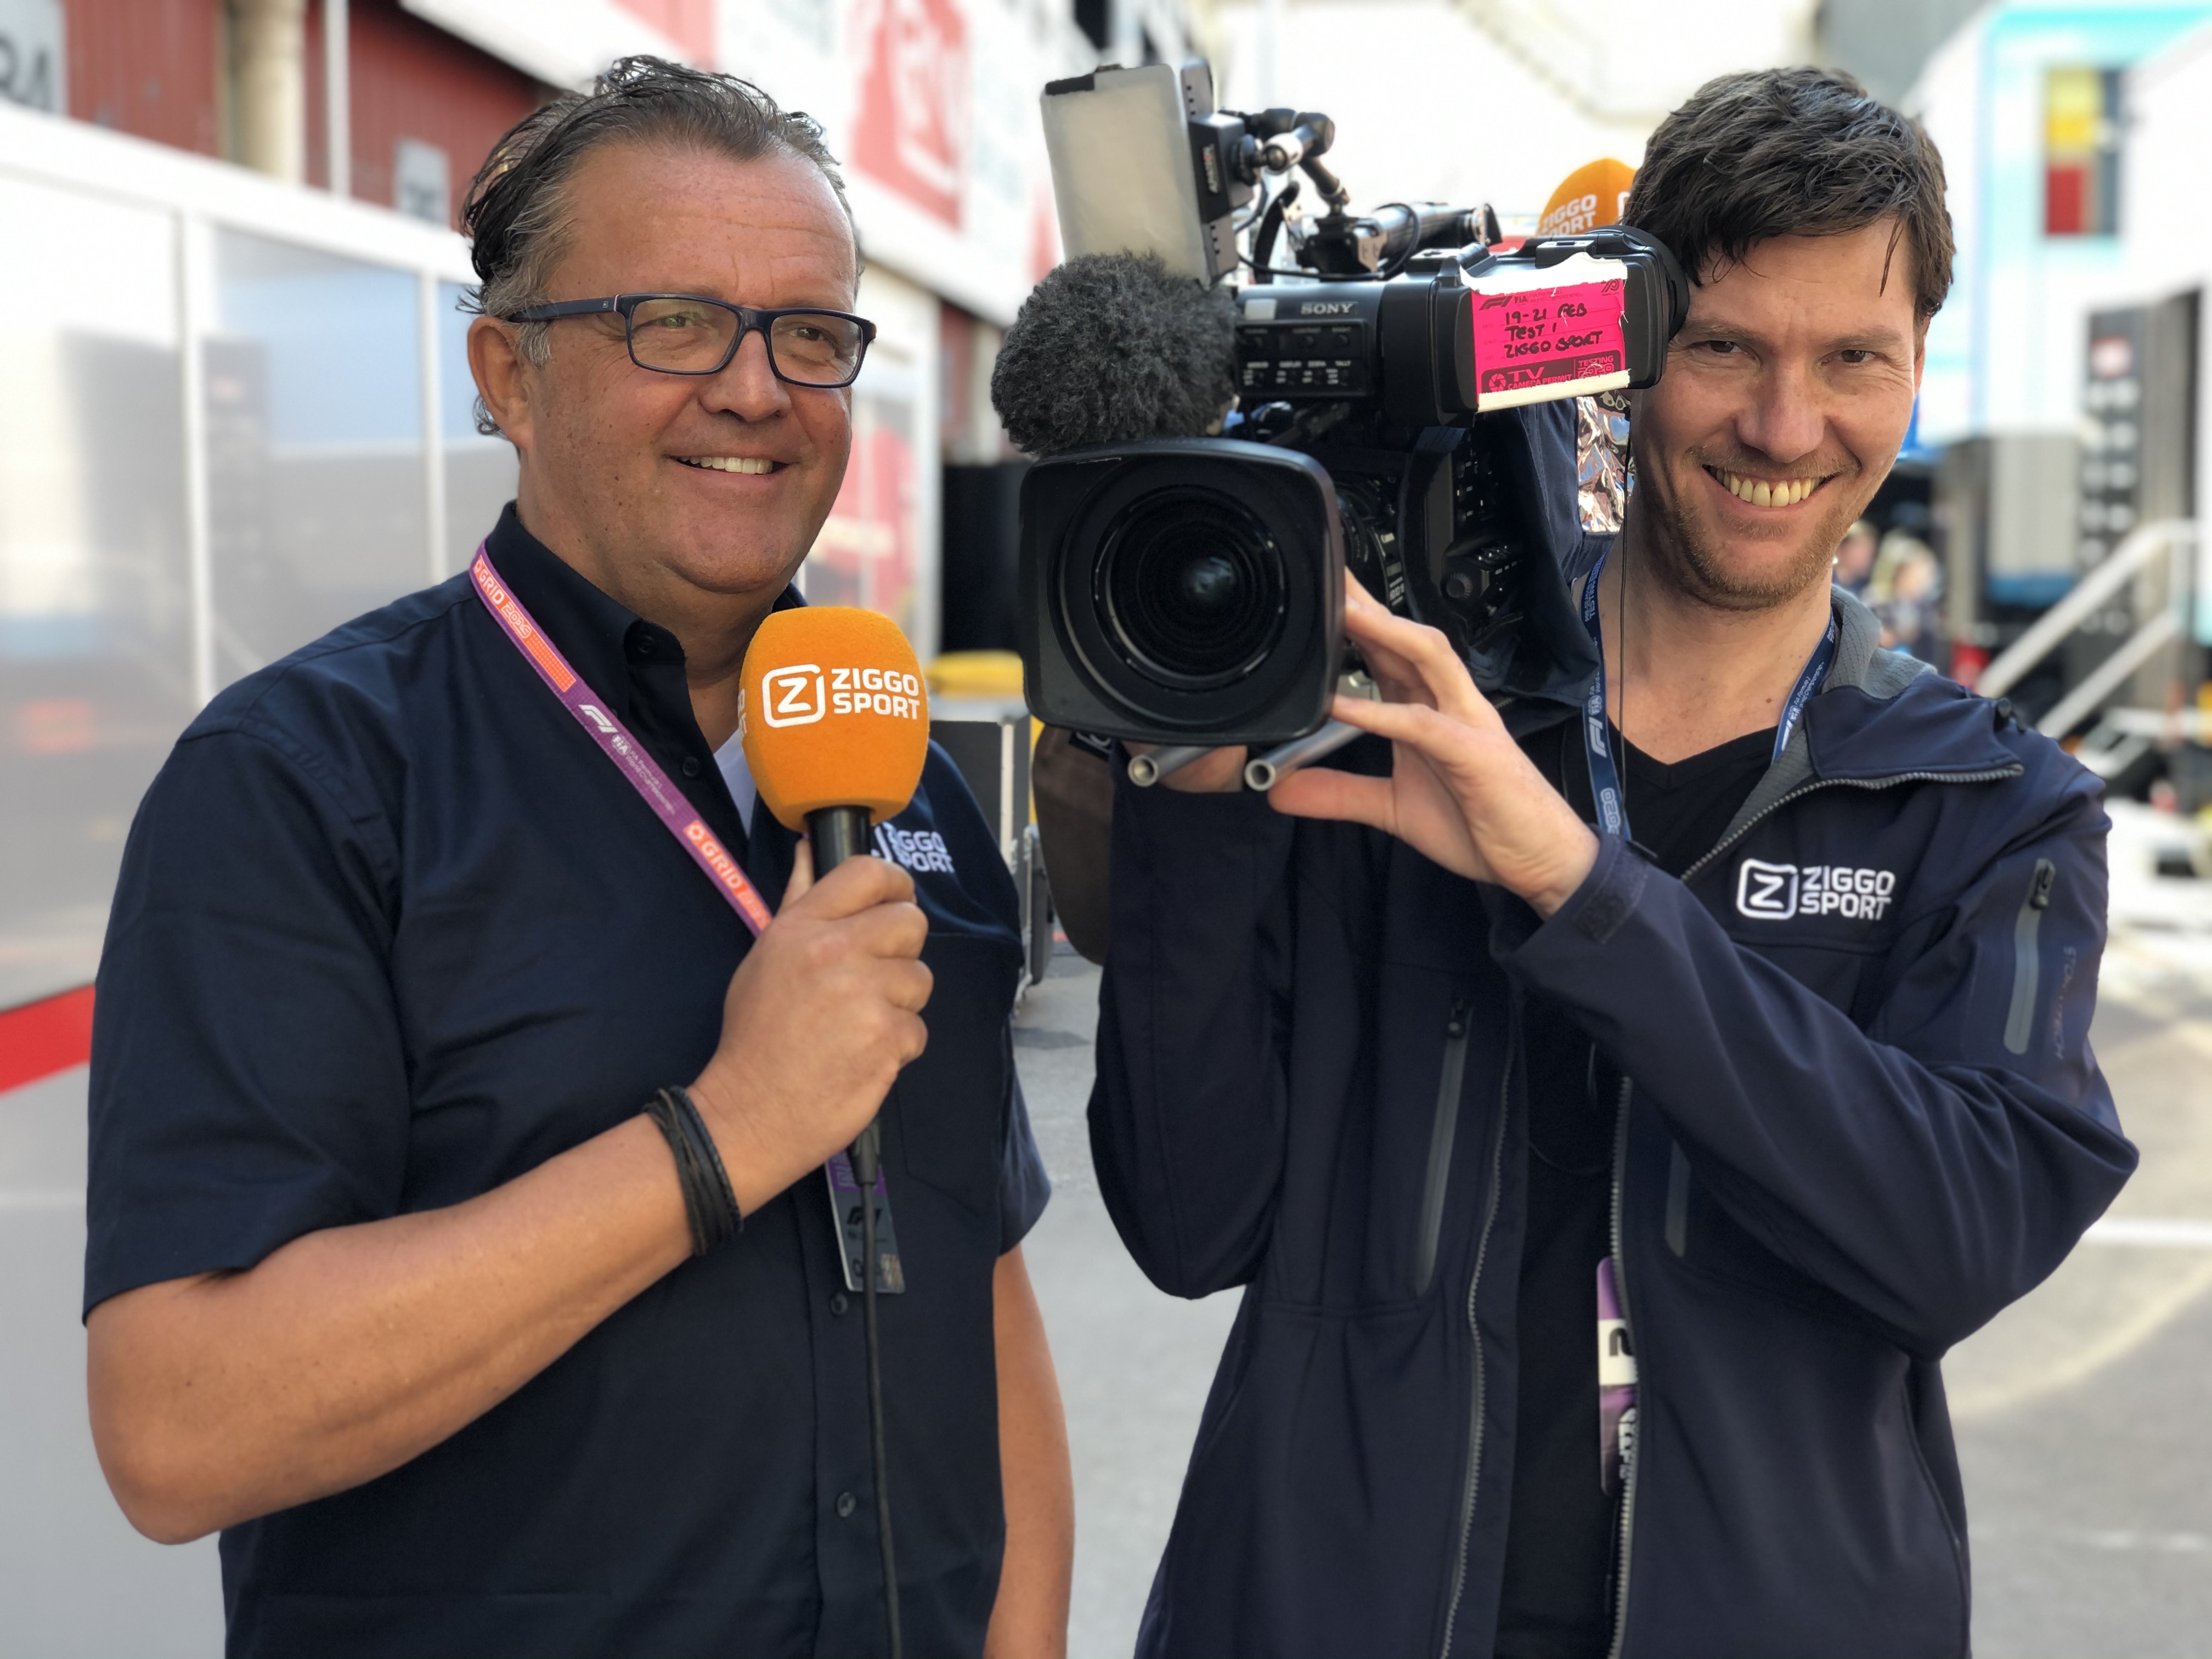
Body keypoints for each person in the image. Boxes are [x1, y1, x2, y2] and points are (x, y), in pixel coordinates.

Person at [1086, 67, 2134, 1658]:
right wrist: (1191, 758)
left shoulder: (1990, 805)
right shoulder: (1401, 726)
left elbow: (1952, 1245)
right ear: (1627, 356)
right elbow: (1189, 1223)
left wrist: (1583, 896)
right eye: (1724, 348)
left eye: (1854, 358)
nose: (1785, 426)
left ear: (1918, 365)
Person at [83, 59, 1071, 1659]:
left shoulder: (901, 778)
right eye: (674, 323)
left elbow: (982, 1294)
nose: (756, 390)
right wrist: (727, 1133)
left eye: (809, 335)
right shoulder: (303, 782)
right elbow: (179, 1426)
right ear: (511, 373)